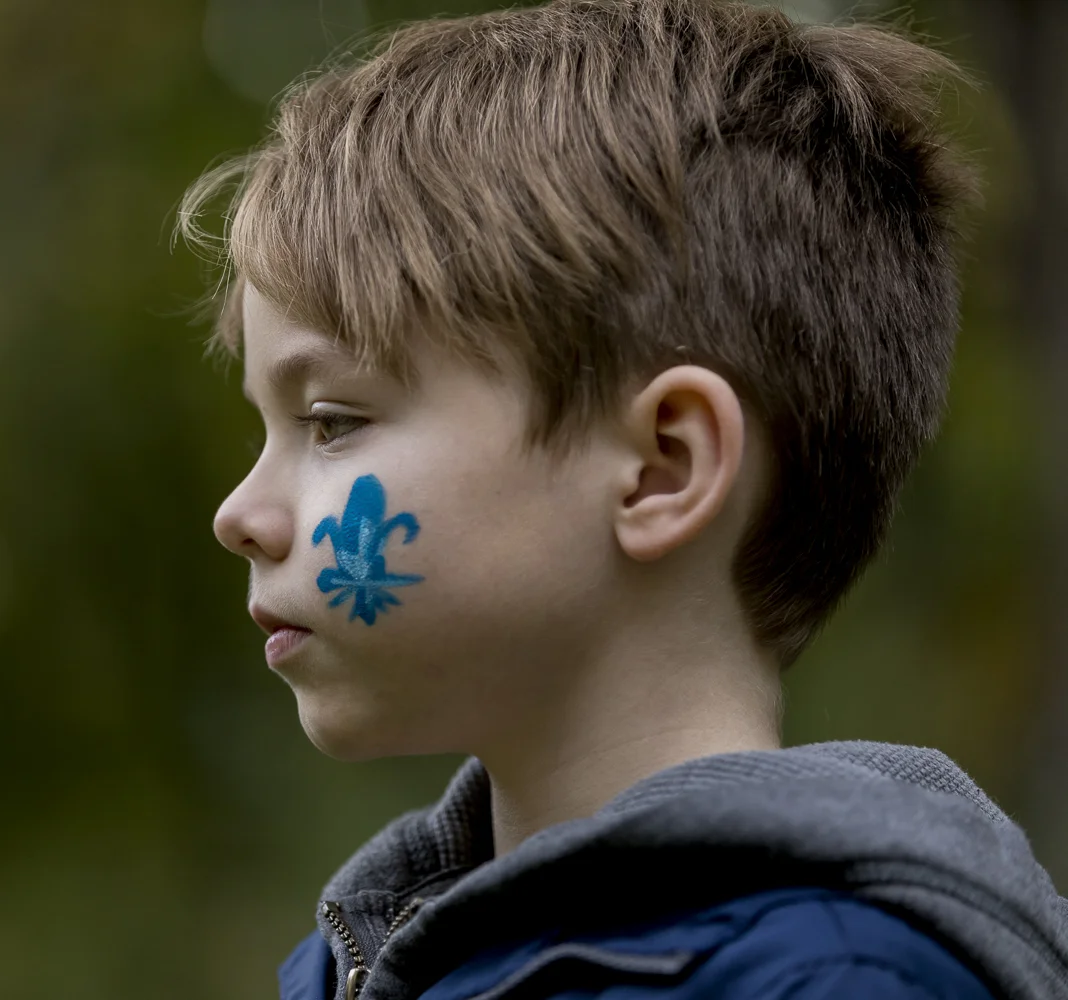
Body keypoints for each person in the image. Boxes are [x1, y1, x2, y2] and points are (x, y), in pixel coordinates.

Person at [177, 0, 1068, 997]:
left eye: (334, 421)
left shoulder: (831, 979)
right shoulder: (351, 964)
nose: (239, 514)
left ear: (661, 467)